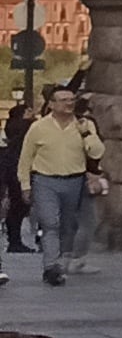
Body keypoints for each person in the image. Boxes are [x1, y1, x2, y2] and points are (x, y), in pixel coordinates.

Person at [20, 90, 104, 284]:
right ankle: (51, 267)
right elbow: (25, 159)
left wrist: (86, 134)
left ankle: (62, 260)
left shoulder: (85, 124)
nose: (69, 103)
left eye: (71, 100)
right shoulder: (38, 127)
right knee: (50, 224)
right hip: (45, 180)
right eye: (63, 100)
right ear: (51, 104)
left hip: (74, 180)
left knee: (69, 225)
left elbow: (98, 152)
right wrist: (25, 185)